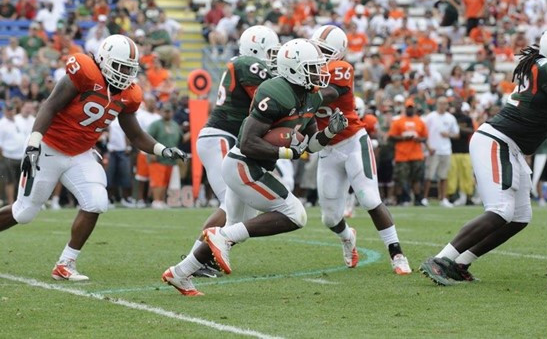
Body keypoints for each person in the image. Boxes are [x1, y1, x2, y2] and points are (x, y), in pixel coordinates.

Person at [162, 38, 347, 296]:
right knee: (296, 214)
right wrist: (285, 151)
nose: (319, 73)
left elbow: (308, 147)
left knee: (236, 225)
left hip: (253, 166)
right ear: (293, 68)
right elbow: (248, 143)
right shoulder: (275, 90)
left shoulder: (311, 96)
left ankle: (180, 272)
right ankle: (221, 238)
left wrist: (329, 133)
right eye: (312, 67)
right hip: (243, 164)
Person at [0, 35, 188, 281]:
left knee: (97, 202)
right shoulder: (85, 73)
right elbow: (50, 106)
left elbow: (135, 134)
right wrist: (34, 143)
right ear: (103, 59)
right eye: (119, 66)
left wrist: (163, 149)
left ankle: (65, 263)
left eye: (129, 69)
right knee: (24, 213)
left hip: (80, 154)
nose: (123, 73)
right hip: (48, 147)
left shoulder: (128, 94)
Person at [420, 31, 547, 286]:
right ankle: (441, 259)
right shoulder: (544, 67)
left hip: (510, 145)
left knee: (520, 216)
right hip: (498, 140)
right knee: (501, 210)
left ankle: (460, 262)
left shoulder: (540, 65)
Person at [311, 26, 412, 274]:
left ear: (338, 53)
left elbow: (327, 94)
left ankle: (396, 253)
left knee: (369, 198)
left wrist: (295, 92)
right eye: (317, 49)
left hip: (353, 141)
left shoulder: (341, 69)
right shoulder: (309, 70)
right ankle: (348, 237)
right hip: (327, 148)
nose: (319, 55)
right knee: (330, 218)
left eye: (325, 51)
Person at [189, 25, 280, 277]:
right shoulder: (246, 64)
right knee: (230, 205)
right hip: (221, 136)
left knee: (246, 211)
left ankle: (202, 258)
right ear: (255, 49)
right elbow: (266, 102)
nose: (273, 58)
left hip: (225, 139)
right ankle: (192, 262)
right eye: (270, 52)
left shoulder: (247, 65)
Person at [388, 99, 428, 206]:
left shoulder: (420, 121)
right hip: (402, 154)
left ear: (414, 108)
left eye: (411, 107)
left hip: (416, 154)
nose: (410, 109)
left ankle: (418, 199)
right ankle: (401, 199)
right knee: (401, 179)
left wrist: (418, 139)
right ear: (405, 108)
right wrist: (404, 137)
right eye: (408, 107)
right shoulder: (398, 121)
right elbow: (391, 137)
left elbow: (425, 137)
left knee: (417, 178)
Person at [422, 96, 460, 208]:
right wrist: (428, 147)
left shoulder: (450, 118)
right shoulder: (430, 117)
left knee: (443, 176)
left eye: (445, 104)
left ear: (447, 105)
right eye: (440, 103)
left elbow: (456, 134)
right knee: (429, 175)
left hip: (446, 150)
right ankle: (424, 198)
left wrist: (449, 135)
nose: (442, 106)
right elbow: (424, 133)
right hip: (433, 149)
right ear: (437, 104)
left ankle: (443, 198)